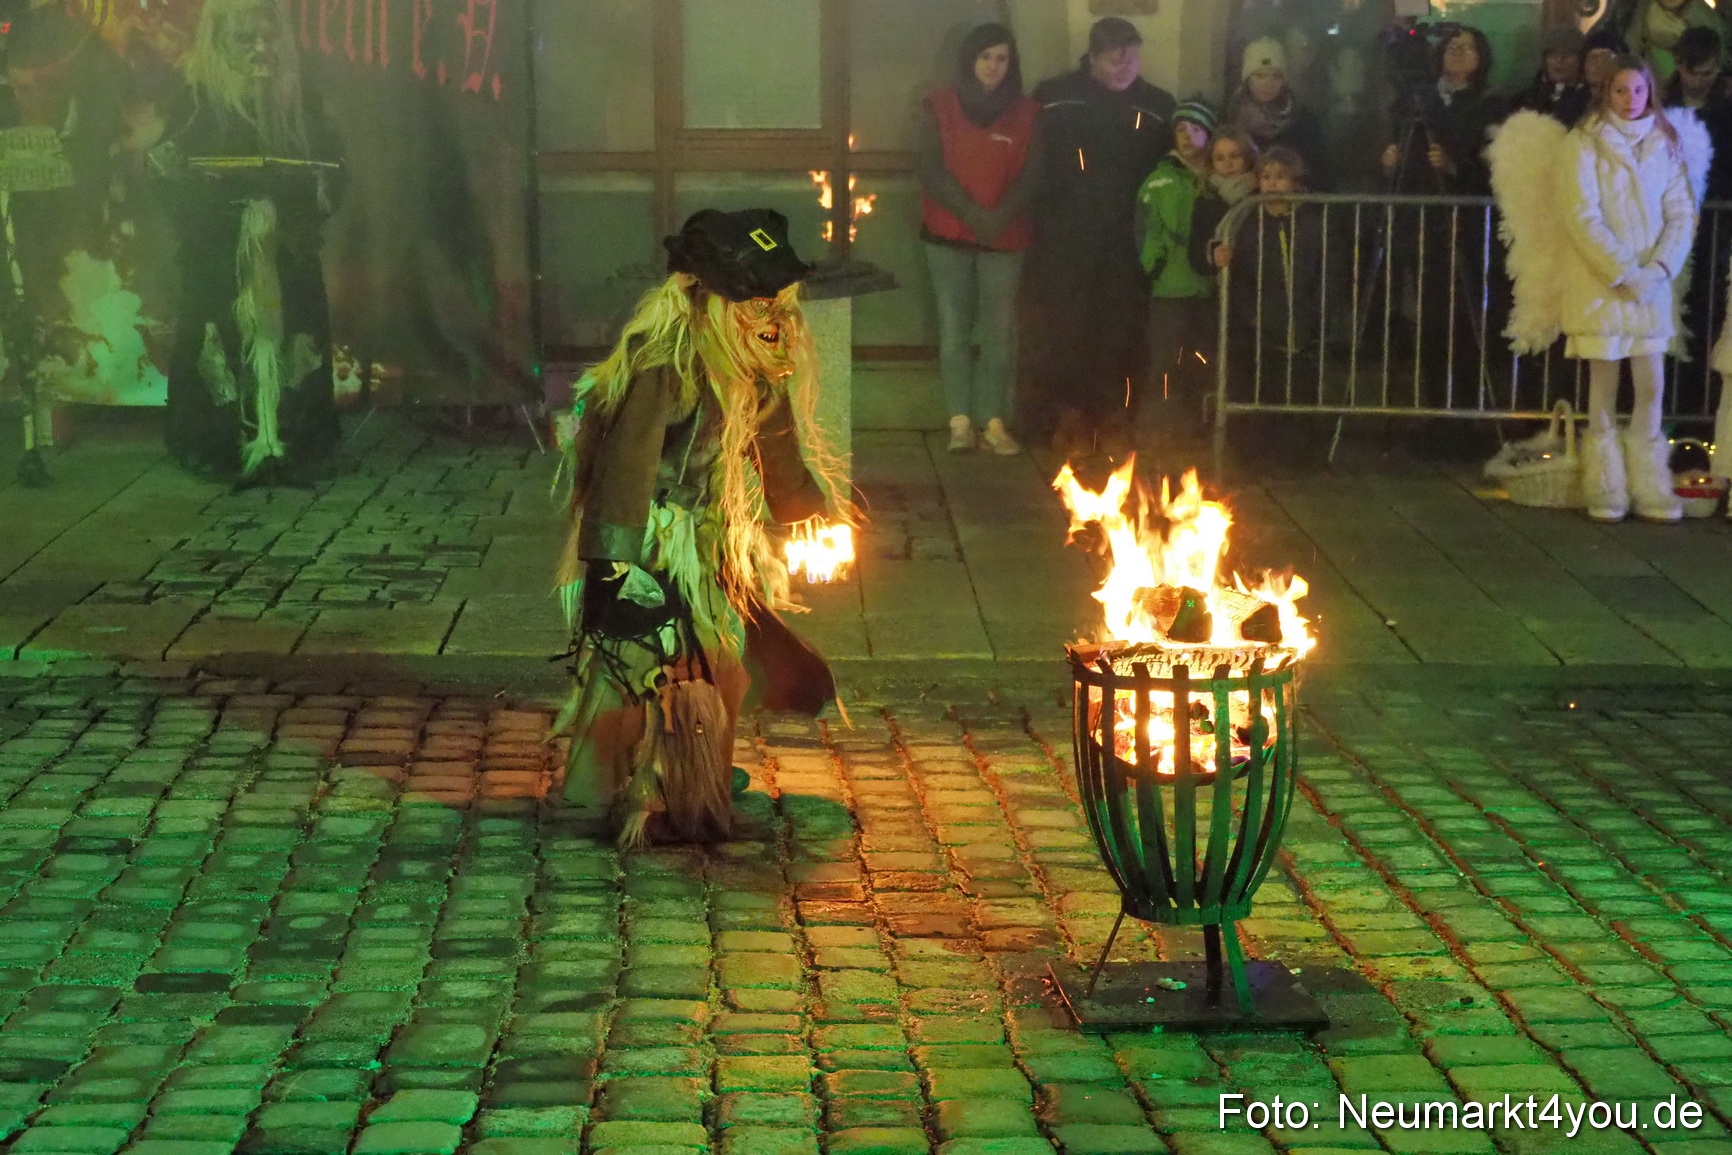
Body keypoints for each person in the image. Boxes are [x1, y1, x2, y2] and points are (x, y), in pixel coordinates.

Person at [554, 209, 852, 848]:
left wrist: (810, 515)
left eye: (782, 302)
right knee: (652, 665)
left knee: (721, 664)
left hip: (714, 537)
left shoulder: (749, 370)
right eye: (756, 302)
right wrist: (613, 567)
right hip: (658, 539)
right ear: (703, 298)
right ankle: (639, 789)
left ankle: (695, 779)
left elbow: (777, 453)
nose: (776, 319)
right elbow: (624, 469)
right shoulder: (669, 370)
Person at [1493, 57, 1702, 522]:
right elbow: (1581, 216)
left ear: (1651, 93)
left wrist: (1659, 268)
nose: (1631, 101)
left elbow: (1682, 211)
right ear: (1606, 93)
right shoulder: (1582, 144)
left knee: (1651, 385)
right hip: (1601, 286)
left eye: (1639, 92)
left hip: (1652, 286)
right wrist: (1626, 272)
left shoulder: (1665, 143)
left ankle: (1650, 482)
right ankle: (1604, 483)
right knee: (1603, 386)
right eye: (1621, 92)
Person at [152, 0, 342, 486]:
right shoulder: (195, 102)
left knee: (293, 343)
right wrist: (192, 183)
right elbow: (168, 176)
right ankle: (222, 446)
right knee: (217, 344)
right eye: (245, 39)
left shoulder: (302, 103)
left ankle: (288, 444)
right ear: (220, 44)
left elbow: (334, 172)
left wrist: (304, 200)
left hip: (286, 252)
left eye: (269, 37)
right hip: (219, 258)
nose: (261, 49)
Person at [1024, 17, 1174, 459]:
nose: (1125, 63)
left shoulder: (1157, 105)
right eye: (1115, 54)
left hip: (1128, 242)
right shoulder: (1055, 98)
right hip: (1064, 238)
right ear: (1093, 56)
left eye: (1132, 53)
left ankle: (1112, 416)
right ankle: (1066, 416)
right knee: (1066, 328)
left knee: (1120, 329)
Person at [917, 23, 1039, 457]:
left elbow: (1031, 176)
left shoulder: (1028, 113)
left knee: (998, 334)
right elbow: (932, 170)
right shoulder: (938, 107)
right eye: (986, 56)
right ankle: (960, 422)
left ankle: (993, 420)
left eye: (1002, 58)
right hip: (948, 237)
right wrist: (972, 215)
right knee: (953, 331)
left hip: (1005, 239)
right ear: (970, 60)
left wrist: (997, 220)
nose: (993, 66)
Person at [1213, 148, 1323, 403]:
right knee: (1264, 392)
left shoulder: (1315, 222)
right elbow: (1239, 277)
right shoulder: (1248, 224)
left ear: (1295, 182)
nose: (1272, 183)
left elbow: (1328, 270)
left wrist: (1319, 313)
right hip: (1262, 324)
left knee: (1302, 394)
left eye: (1280, 176)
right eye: (1266, 176)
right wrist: (1252, 314)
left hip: (1307, 324)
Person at [1136, 98, 1216, 438]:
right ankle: (1159, 429)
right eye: (1180, 129)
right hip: (1168, 284)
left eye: (1196, 129)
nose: (1187, 136)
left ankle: (1201, 429)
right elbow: (1142, 228)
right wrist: (1153, 264)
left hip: (1208, 286)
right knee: (1165, 361)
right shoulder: (1159, 180)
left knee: (1203, 360)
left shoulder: (1218, 179)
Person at [1380, 25, 1501, 197]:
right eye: (1451, 47)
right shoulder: (1416, 99)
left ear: (1481, 56)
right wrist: (1390, 163)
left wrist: (1452, 166)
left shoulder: (1491, 104)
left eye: (1467, 48)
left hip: (1465, 205)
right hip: (1415, 203)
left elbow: (1494, 164)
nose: (1457, 52)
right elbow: (1396, 143)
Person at [1227, 38, 1324, 182]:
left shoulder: (1303, 120)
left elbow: (1319, 170)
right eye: (1260, 75)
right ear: (1247, 79)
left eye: (1276, 76)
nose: (1268, 83)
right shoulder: (1231, 117)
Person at [1593, 0, 1724, 85]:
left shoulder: (1699, 11)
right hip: (1650, 76)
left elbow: (1716, 51)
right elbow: (1633, 39)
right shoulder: (1643, 6)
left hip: (1691, 79)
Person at [1187, 128, 1259, 283]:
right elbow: (1195, 248)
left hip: (1259, 281)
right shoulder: (1207, 199)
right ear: (1211, 163)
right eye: (1220, 158)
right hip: (1226, 287)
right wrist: (1213, 255)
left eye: (1235, 156)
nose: (1228, 163)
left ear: (1248, 157)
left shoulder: (1261, 195)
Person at [1512, 25, 1590, 126]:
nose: (1559, 61)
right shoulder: (1525, 100)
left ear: (1581, 61)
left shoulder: (1589, 103)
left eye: (1567, 55)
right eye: (1553, 54)